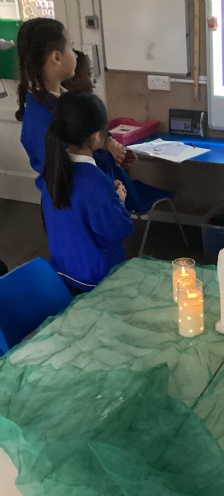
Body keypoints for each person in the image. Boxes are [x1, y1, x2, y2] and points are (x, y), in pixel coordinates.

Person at [15, 19, 125, 190]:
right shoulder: (42, 118)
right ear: (57, 57)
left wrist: (108, 143)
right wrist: (109, 157)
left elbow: (88, 137)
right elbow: (75, 172)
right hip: (80, 199)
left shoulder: (65, 99)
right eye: (71, 48)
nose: (75, 55)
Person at [42, 91, 134, 295]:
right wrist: (119, 201)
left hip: (64, 271)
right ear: (97, 136)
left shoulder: (53, 170)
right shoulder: (95, 181)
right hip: (96, 279)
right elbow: (118, 229)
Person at [61, 50, 138, 177]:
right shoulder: (71, 117)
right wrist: (112, 155)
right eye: (90, 74)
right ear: (74, 79)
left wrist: (118, 153)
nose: (94, 81)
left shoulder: (85, 109)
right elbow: (94, 161)